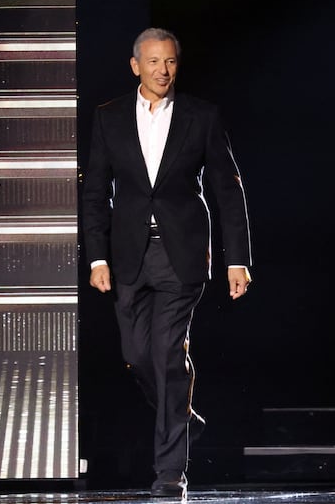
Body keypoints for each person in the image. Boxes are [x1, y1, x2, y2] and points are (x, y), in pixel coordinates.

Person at [81, 27, 253, 498]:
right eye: (154, 62)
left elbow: (227, 188)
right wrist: (96, 256)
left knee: (166, 355)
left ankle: (169, 472)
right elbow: (95, 192)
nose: (163, 70)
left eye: (171, 61)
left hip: (181, 255)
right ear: (136, 65)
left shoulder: (202, 116)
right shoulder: (109, 118)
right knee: (137, 358)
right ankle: (182, 417)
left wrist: (238, 259)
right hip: (127, 256)